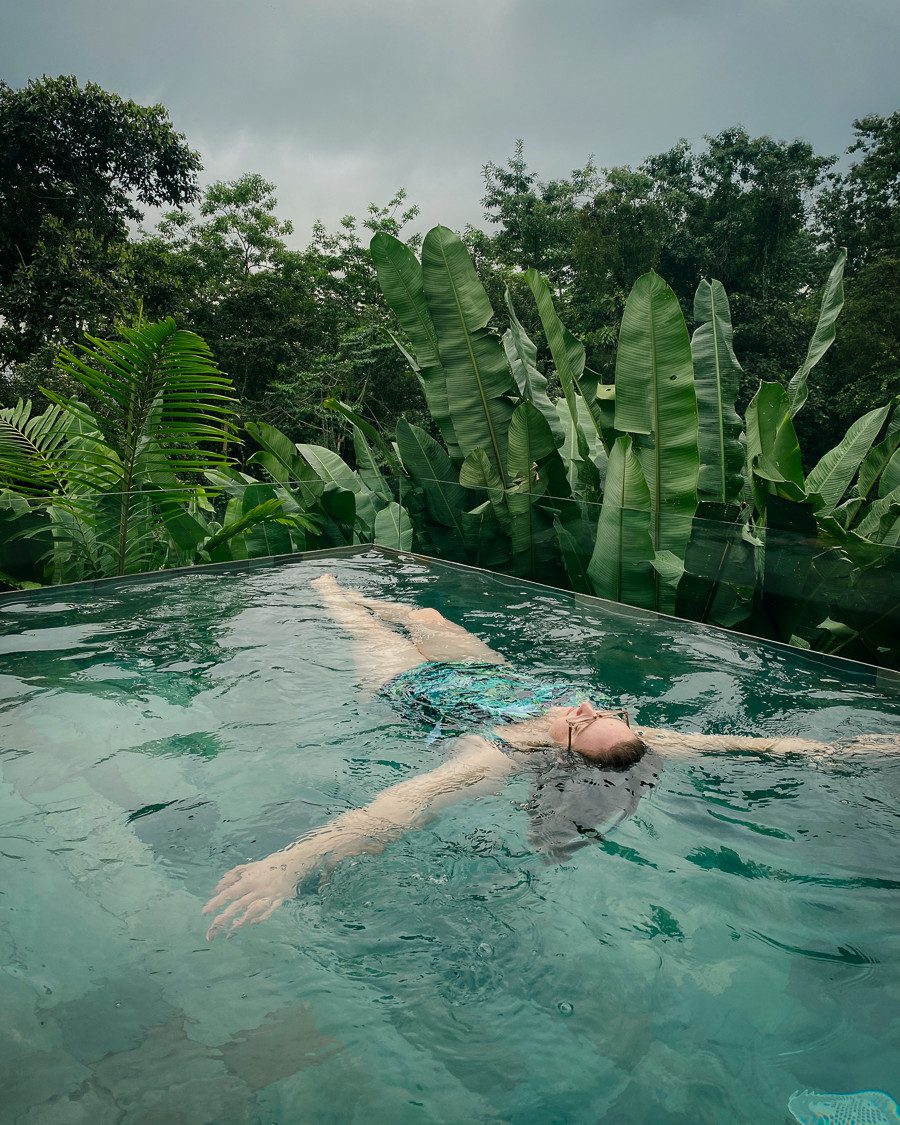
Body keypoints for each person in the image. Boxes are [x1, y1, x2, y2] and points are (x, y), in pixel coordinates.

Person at [203, 574, 896, 939]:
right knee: (431, 620)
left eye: (585, 722)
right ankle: (369, 595)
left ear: (563, 751)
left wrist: (289, 864)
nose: (589, 709)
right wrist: (859, 746)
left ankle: (332, 594)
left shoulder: (498, 755)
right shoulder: (620, 728)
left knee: (376, 635)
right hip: (497, 675)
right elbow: (763, 743)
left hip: (414, 689)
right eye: (599, 712)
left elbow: (402, 806)